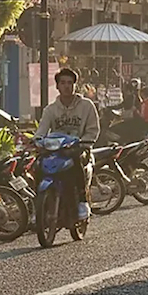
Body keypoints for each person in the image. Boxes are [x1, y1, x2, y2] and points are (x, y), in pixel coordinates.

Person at [37, 67, 100, 218]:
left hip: (79, 148)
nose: (66, 86)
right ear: (57, 86)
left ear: (75, 86)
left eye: (70, 83)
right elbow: (41, 130)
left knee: (76, 162)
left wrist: (85, 143)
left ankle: (82, 202)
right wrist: (37, 141)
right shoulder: (50, 110)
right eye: (63, 83)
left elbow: (93, 129)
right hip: (56, 150)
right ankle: (38, 206)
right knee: (38, 165)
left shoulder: (87, 106)